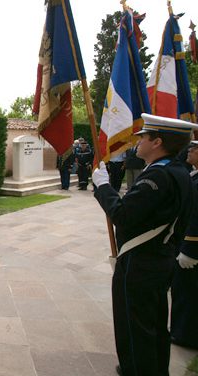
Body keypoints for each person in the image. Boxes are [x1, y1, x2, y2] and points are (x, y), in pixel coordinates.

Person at [92, 114, 196, 376]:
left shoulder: (159, 176)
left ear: (157, 141)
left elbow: (124, 216)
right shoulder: (176, 170)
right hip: (158, 259)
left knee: (134, 327)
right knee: (155, 324)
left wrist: (103, 187)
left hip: (142, 264)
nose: (138, 142)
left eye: (144, 137)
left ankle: (137, 370)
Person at [170, 140, 198, 350]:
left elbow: (195, 218)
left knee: (188, 292)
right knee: (181, 290)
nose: (189, 151)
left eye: (194, 149)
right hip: (184, 244)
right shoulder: (192, 174)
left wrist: (189, 248)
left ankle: (186, 334)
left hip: (191, 248)